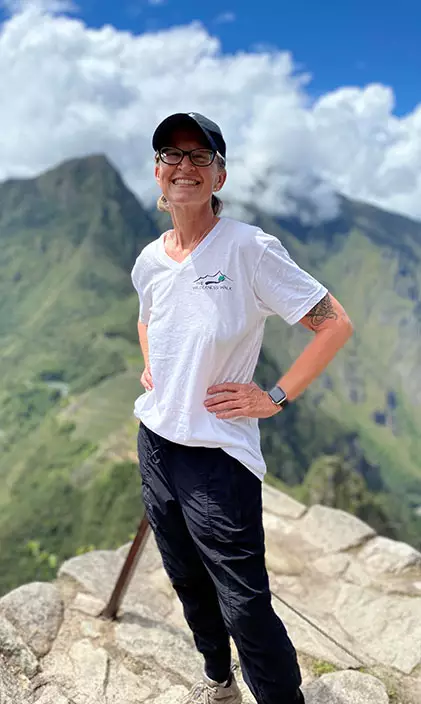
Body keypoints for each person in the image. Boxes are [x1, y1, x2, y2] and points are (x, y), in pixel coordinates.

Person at [131, 112, 353, 704]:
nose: (184, 167)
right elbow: (146, 317)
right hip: (155, 444)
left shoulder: (250, 249)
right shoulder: (151, 259)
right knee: (185, 580)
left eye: (199, 157)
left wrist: (273, 397)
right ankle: (216, 678)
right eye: (171, 156)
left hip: (217, 457)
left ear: (219, 176)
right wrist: (153, 366)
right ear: (157, 172)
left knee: (246, 604)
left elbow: (333, 325)